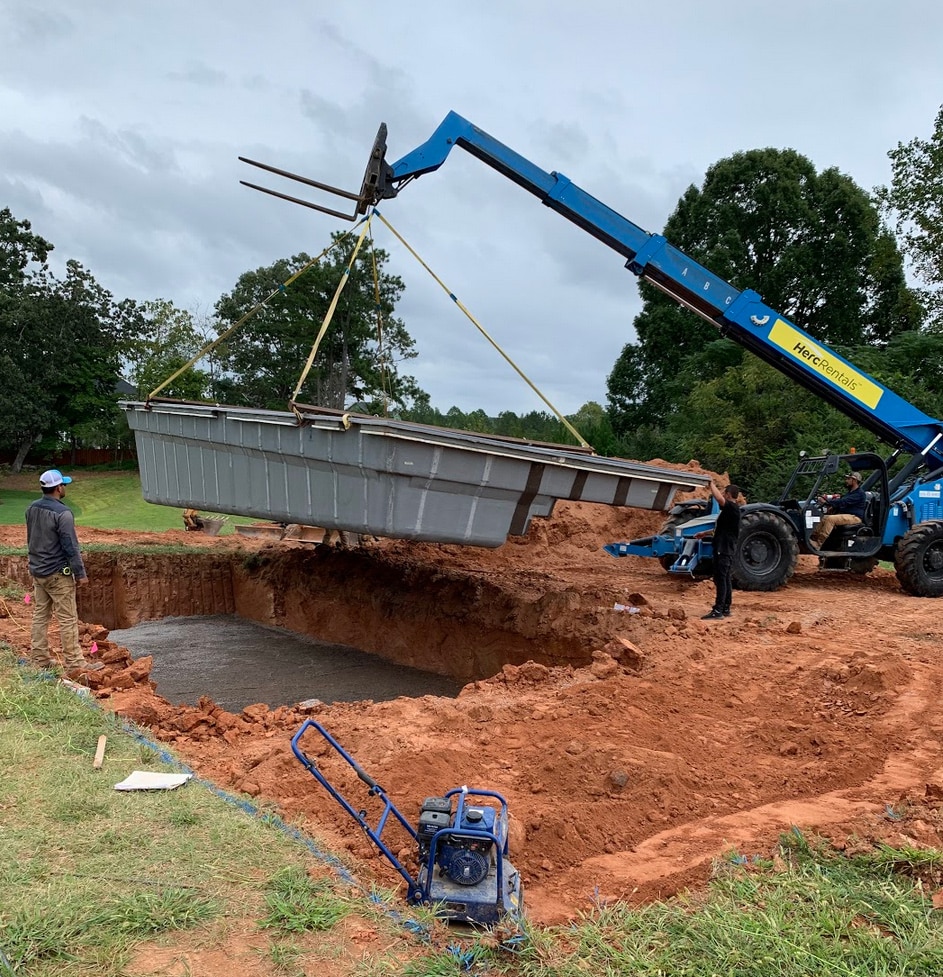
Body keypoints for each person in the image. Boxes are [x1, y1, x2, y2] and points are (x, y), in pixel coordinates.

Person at [25, 469, 102, 677]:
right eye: (64, 485)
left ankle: (39, 659)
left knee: (41, 614)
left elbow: (33, 538)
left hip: (38, 571)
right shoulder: (63, 514)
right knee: (68, 618)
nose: (65, 488)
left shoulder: (31, 508)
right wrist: (80, 573)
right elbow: (71, 547)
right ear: (59, 488)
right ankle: (75, 664)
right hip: (58, 574)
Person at [699, 482, 742, 621]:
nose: (722, 495)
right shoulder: (731, 512)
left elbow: (719, 499)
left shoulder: (732, 508)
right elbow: (722, 529)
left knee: (721, 578)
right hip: (725, 548)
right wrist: (705, 533)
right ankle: (725, 608)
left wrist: (711, 484)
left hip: (723, 549)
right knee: (726, 578)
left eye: (724, 493)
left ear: (728, 495)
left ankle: (718, 610)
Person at [810, 471, 867, 548]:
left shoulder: (859, 493)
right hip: (847, 515)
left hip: (855, 517)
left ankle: (818, 544)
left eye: (848, 479)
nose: (846, 481)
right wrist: (833, 507)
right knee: (823, 518)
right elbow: (843, 503)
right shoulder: (850, 493)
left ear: (854, 480)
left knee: (831, 519)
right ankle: (813, 538)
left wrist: (828, 502)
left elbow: (843, 501)